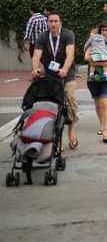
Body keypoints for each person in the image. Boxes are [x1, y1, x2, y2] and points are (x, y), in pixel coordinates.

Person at [31, 10, 79, 150]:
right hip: (51, 77)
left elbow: (70, 55)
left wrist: (64, 69)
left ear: (60, 22)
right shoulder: (42, 37)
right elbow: (36, 56)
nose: (53, 24)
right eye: (50, 21)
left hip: (67, 75)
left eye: (55, 21)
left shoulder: (68, 35)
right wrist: (36, 70)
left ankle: (71, 129)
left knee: (70, 104)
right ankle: (58, 137)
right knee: (55, 107)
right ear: (47, 22)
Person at [85, 21, 107, 143]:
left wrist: (96, 62)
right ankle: (102, 124)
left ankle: (105, 132)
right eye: (103, 30)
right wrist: (102, 60)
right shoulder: (93, 42)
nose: (105, 32)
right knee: (98, 104)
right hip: (93, 78)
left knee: (105, 103)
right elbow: (87, 57)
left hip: (106, 78)